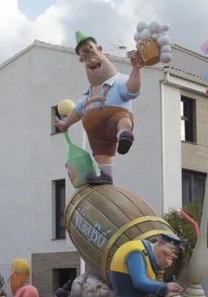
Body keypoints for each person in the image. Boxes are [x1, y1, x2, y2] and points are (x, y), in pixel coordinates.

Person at [53, 30, 143, 185]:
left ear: (100, 50)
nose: (92, 60)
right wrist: (66, 123)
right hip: (97, 135)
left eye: (93, 52)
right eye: (86, 57)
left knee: (122, 120)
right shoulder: (88, 94)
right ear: (82, 60)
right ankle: (106, 175)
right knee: (100, 153)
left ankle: (124, 135)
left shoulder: (118, 81)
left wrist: (136, 69)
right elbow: (78, 110)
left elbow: (133, 89)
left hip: (114, 121)